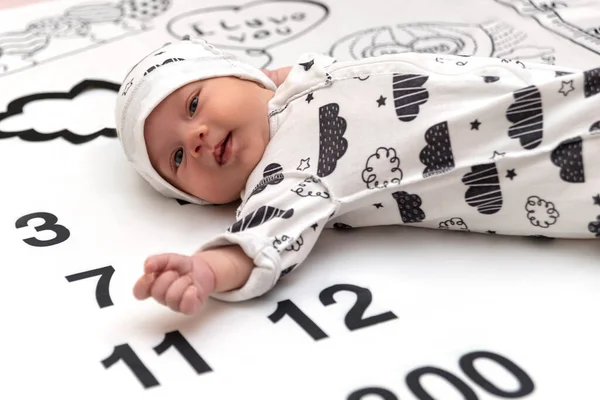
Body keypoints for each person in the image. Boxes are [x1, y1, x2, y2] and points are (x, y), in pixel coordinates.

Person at [114, 37, 600, 315]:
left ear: (245, 75)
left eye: (193, 104)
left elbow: (277, 76)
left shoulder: (304, 78)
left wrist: (262, 81)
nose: (195, 137)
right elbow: (262, 241)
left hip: (564, 91)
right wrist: (207, 269)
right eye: (176, 160)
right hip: (553, 163)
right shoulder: (283, 177)